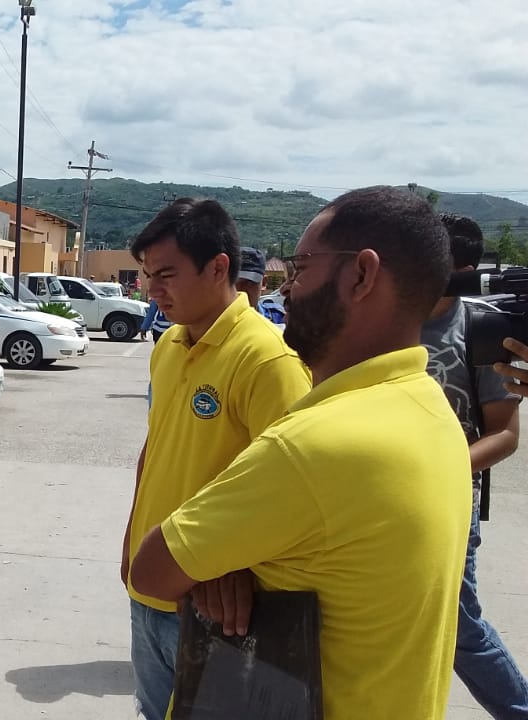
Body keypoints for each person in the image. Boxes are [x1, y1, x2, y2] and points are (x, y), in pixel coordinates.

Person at [130, 186, 472, 719]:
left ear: (361, 275)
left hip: (227, 633)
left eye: (301, 268)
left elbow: (155, 568)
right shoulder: (430, 409)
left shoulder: (315, 439)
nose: (285, 288)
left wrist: (218, 563)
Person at [120, 198, 310, 720]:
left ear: (218, 267)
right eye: (147, 275)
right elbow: (157, 446)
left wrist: (239, 566)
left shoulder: (268, 360)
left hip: (216, 609)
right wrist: (132, 537)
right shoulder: (169, 344)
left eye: (166, 274)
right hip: (150, 592)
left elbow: (293, 492)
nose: (152, 290)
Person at [422, 213, 528, 719]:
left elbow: (505, 434)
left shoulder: (482, 327)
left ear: (463, 272)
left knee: (461, 626)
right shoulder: (385, 321)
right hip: (380, 500)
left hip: (450, 500)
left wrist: (437, 471)